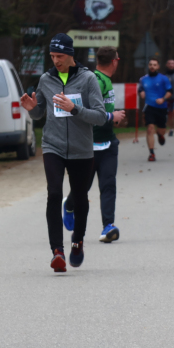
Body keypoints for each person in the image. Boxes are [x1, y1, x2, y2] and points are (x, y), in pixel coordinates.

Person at [20, 33, 108, 272]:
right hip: (53, 146)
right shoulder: (46, 79)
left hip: (81, 149)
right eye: (52, 56)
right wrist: (32, 109)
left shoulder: (88, 79)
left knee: (80, 197)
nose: (56, 60)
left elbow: (100, 116)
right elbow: (40, 113)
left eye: (59, 56)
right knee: (54, 193)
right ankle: (57, 251)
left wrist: (75, 108)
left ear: (70, 55)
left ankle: (77, 242)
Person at [62, 46, 126, 243]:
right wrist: (111, 116)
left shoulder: (105, 80)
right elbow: (85, 112)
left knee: (108, 185)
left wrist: (112, 118)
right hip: (87, 145)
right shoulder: (95, 81)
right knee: (83, 188)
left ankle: (108, 226)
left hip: (108, 144)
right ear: (114, 61)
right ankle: (69, 205)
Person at [138, 58, 172, 161]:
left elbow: (170, 91)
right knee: (150, 129)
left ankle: (160, 135)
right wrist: (141, 93)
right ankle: (152, 153)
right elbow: (140, 89)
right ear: (148, 66)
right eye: (150, 64)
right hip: (149, 107)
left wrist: (163, 99)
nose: (152, 66)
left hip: (161, 107)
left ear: (158, 67)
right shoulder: (143, 79)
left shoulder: (163, 79)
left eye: (154, 65)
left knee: (161, 131)